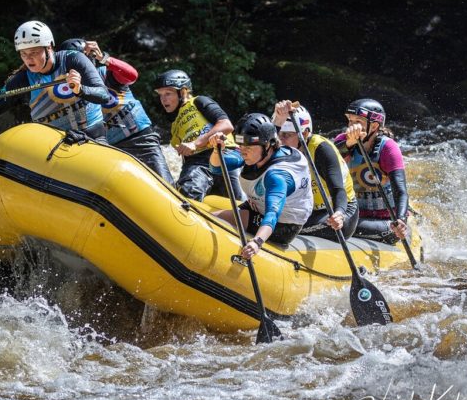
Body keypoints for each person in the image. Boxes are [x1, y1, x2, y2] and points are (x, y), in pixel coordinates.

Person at [0, 21, 111, 139]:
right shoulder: (22, 80)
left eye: (34, 53)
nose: (29, 59)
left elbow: (104, 95)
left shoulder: (73, 59)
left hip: (92, 138)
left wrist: (80, 89)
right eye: (24, 54)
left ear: (49, 47)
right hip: (55, 146)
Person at [57, 38, 174, 184]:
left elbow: (132, 75)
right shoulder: (63, 88)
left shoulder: (105, 73)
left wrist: (103, 58)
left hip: (139, 138)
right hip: (112, 147)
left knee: (165, 185)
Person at [209, 113, 313, 259]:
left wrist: (257, 242)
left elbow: (272, 214)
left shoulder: (277, 176)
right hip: (257, 206)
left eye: (248, 146)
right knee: (210, 218)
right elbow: (216, 167)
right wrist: (216, 149)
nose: (243, 150)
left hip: (283, 225)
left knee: (215, 221)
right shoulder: (256, 152)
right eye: (241, 144)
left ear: (268, 145)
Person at [271, 100, 359, 241]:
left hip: (339, 212)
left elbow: (338, 190)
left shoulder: (321, 149)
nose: (280, 141)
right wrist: (277, 120)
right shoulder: (280, 149)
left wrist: (339, 213)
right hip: (307, 211)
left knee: (280, 228)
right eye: (279, 135)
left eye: (286, 135)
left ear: (304, 134)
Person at [153, 70, 242, 201]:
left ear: (182, 92)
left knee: (240, 200)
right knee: (187, 193)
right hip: (197, 162)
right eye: (160, 95)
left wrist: (195, 143)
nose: (163, 99)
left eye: (168, 93)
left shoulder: (198, 102)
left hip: (224, 153)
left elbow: (226, 125)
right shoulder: (174, 126)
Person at [334, 98, 410, 245]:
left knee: (389, 231)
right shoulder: (342, 141)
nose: (352, 127)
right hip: (354, 216)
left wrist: (401, 219)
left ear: (374, 126)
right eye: (350, 121)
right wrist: (349, 144)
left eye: (358, 122)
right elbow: (328, 164)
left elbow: (400, 190)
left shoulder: (388, 148)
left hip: (385, 221)